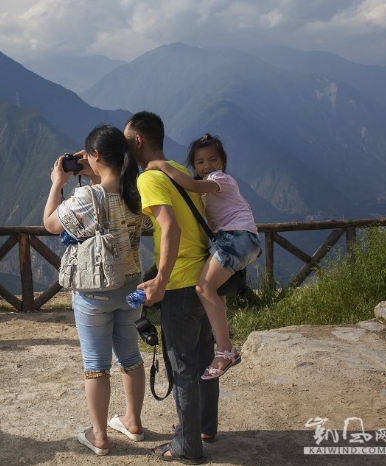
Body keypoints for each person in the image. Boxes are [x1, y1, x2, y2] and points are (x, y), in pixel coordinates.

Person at [43, 125, 146, 456]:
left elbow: (51, 224)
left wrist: (58, 182)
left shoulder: (87, 197)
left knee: (96, 365)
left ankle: (99, 436)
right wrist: (97, 173)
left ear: (96, 156)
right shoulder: (136, 193)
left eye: (87, 155)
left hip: (95, 291)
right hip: (131, 287)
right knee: (130, 356)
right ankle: (133, 423)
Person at [124, 111, 219, 464]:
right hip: (205, 279)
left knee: (182, 367)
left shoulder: (149, 178)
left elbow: (171, 228)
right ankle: (205, 428)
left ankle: (187, 446)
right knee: (205, 360)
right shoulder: (178, 169)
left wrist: (161, 281)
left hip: (179, 284)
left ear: (137, 142)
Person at [146, 134, 261, 380]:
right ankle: (224, 330)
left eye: (213, 160)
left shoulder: (220, 179)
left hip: (237, 237)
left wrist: (163, 166)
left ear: (222, 162)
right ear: (194, 165)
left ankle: (225, 351)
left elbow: (193, 186)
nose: (207, 166)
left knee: (203, 287)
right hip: (237, 239)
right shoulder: (210, 185)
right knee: (215, 289)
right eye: (200, 162)